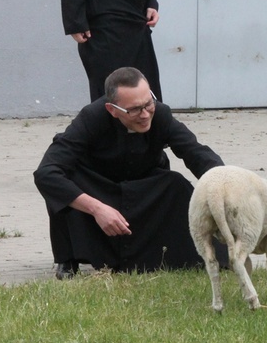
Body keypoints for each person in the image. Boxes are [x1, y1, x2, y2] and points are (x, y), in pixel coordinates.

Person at [34, 67, 224, 279]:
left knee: (175, 183)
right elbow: (46, 173)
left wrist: (225, 184)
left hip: (142, 190)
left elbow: (196, 153)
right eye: (134, 110)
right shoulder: (90, 118)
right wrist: (97, 209)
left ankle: (200, 253)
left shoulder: (160, 114)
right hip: (98, 188)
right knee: (64, 183)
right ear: (112, 109)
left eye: (148, 103)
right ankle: (68, 259)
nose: (144, 115)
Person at [61, 0, 163, 103]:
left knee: (144, 84)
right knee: (110, 87)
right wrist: (75, 21)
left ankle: (150, 119)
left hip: (137, 18)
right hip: (103, 19)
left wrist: (151, 2)